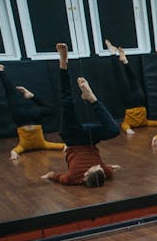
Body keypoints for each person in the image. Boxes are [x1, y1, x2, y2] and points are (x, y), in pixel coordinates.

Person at [41, 43, 121, 187]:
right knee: (114, 130)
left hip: (71, 138)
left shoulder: (71, 179)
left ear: (84, 176)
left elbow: (58, 177)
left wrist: (50, 175)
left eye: (94, 168)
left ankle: (63, 64)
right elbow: (108, 171)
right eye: (100, 168)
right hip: (89, 139)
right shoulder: (104, 172)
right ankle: (92, 99)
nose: (99, 166)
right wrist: (110, 168)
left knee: (67, 103)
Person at [0, 59, 64, 159]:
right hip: (24, 118)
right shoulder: (27, 146)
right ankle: (0, 70)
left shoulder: (42, 144)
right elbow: (15, 151)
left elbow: (56, 145)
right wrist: (14, 154)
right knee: (10, 93)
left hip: (32, 118)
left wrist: (65, 147)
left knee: (50, 109)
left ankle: (32, 96)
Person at [104, 39, 157, 135]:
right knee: (132, 79)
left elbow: (124, 125)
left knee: (124, 78)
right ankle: (123, 60)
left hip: (130, 102)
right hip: (139, 101)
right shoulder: (145, 122)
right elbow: (154, 123)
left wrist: (128, 130)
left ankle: (115, 55)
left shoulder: (135, 123)